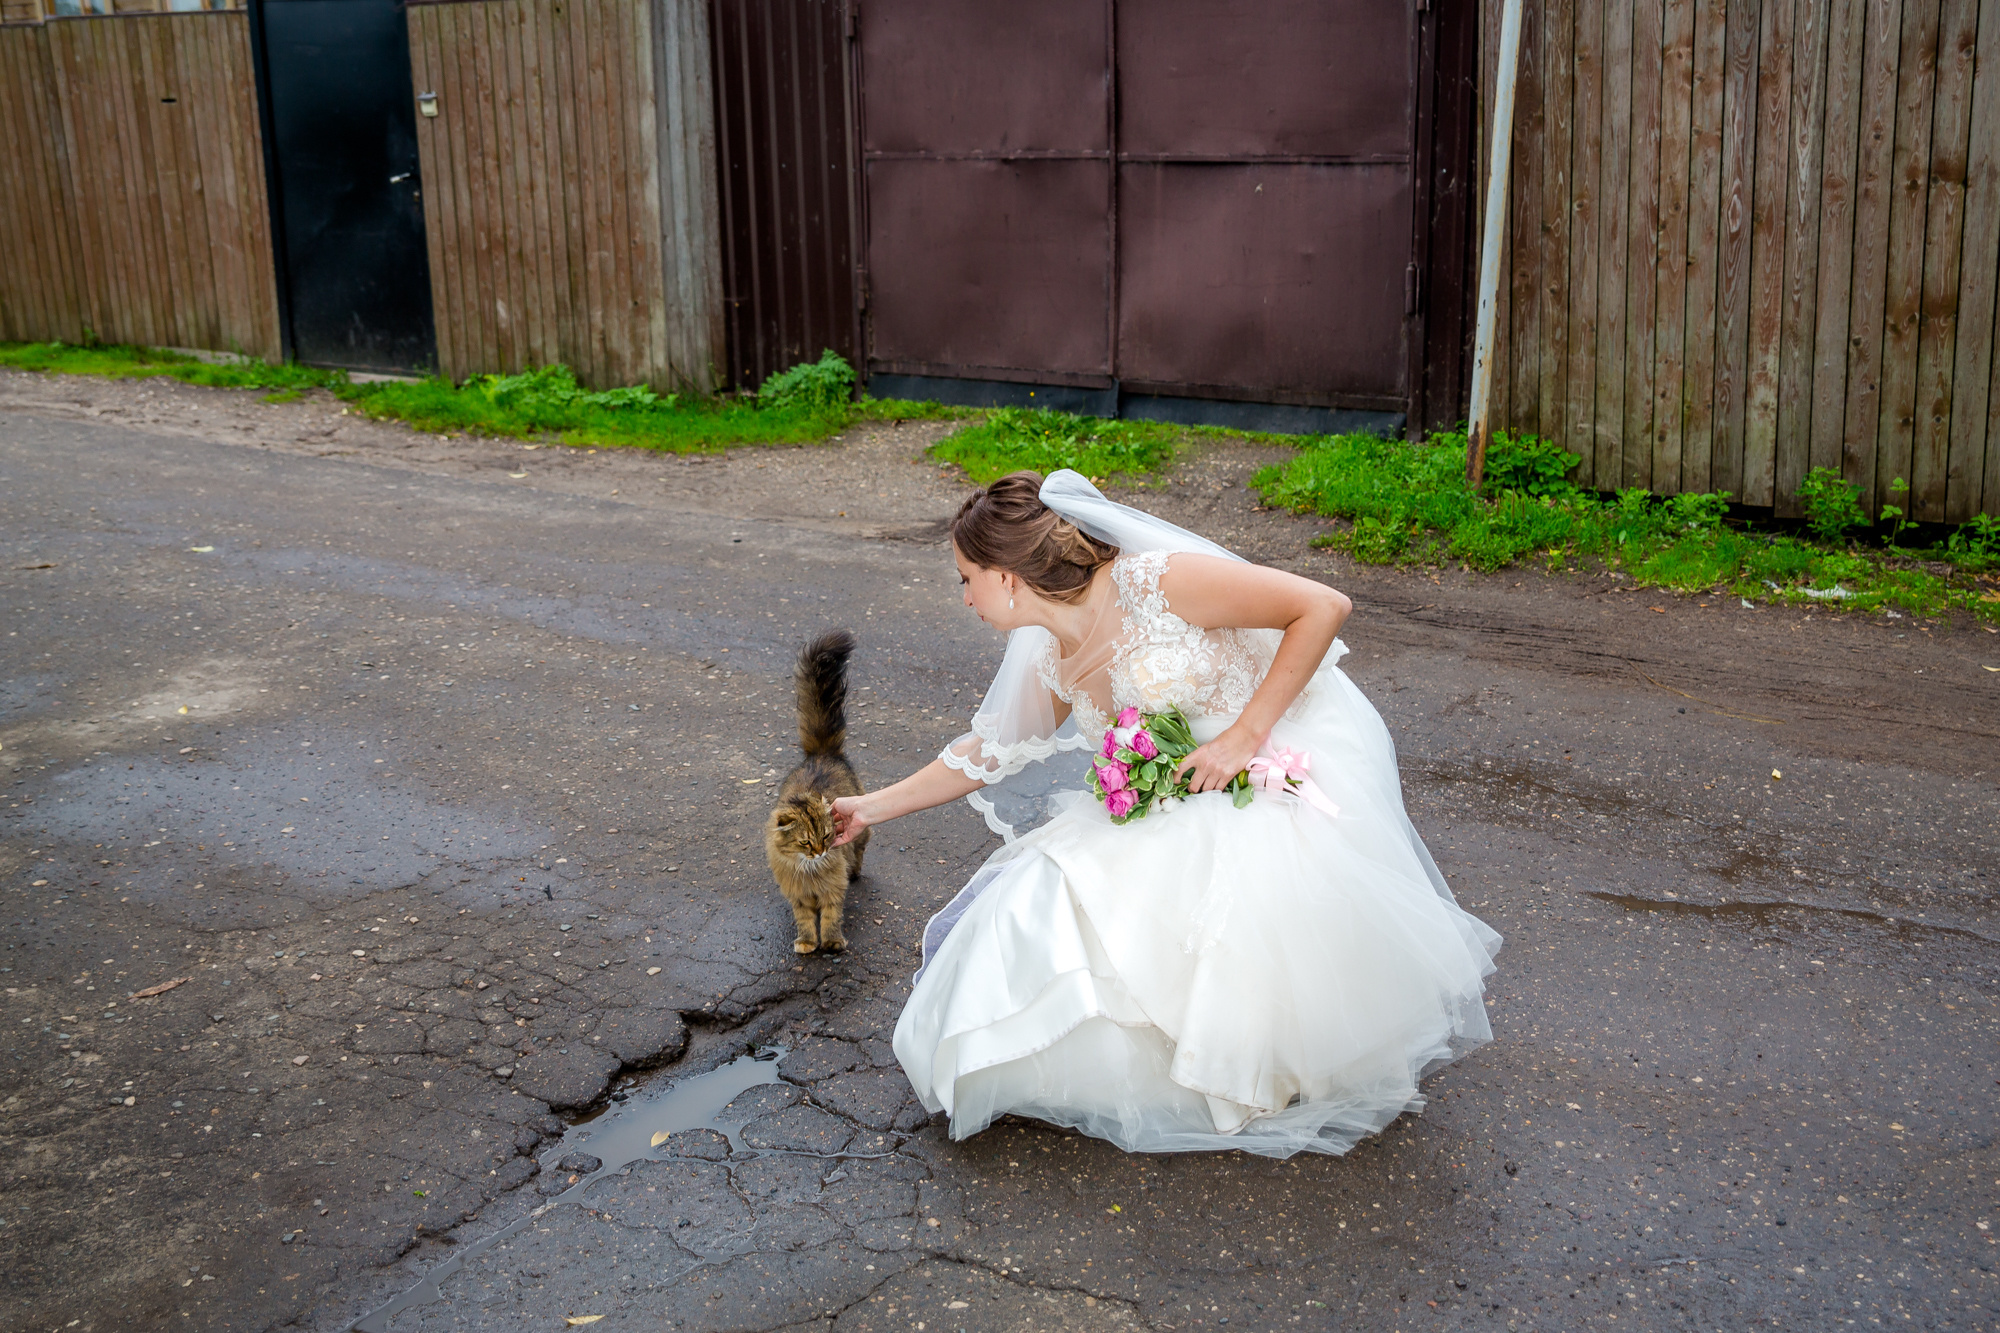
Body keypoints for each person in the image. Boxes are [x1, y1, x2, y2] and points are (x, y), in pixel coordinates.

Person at [830, 470, 1501, 1157]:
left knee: (1206, 886)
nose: (965, 595)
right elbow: (983, 752)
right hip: (1175, 797)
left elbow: (1322, 605)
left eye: (966, 576)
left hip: (1269, 770)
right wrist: (868, 807)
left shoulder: (1157, 582)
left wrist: (1243, 738)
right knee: (1038, 894)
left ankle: (1254, 1048)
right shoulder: (1051, 658)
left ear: (1006, 576)